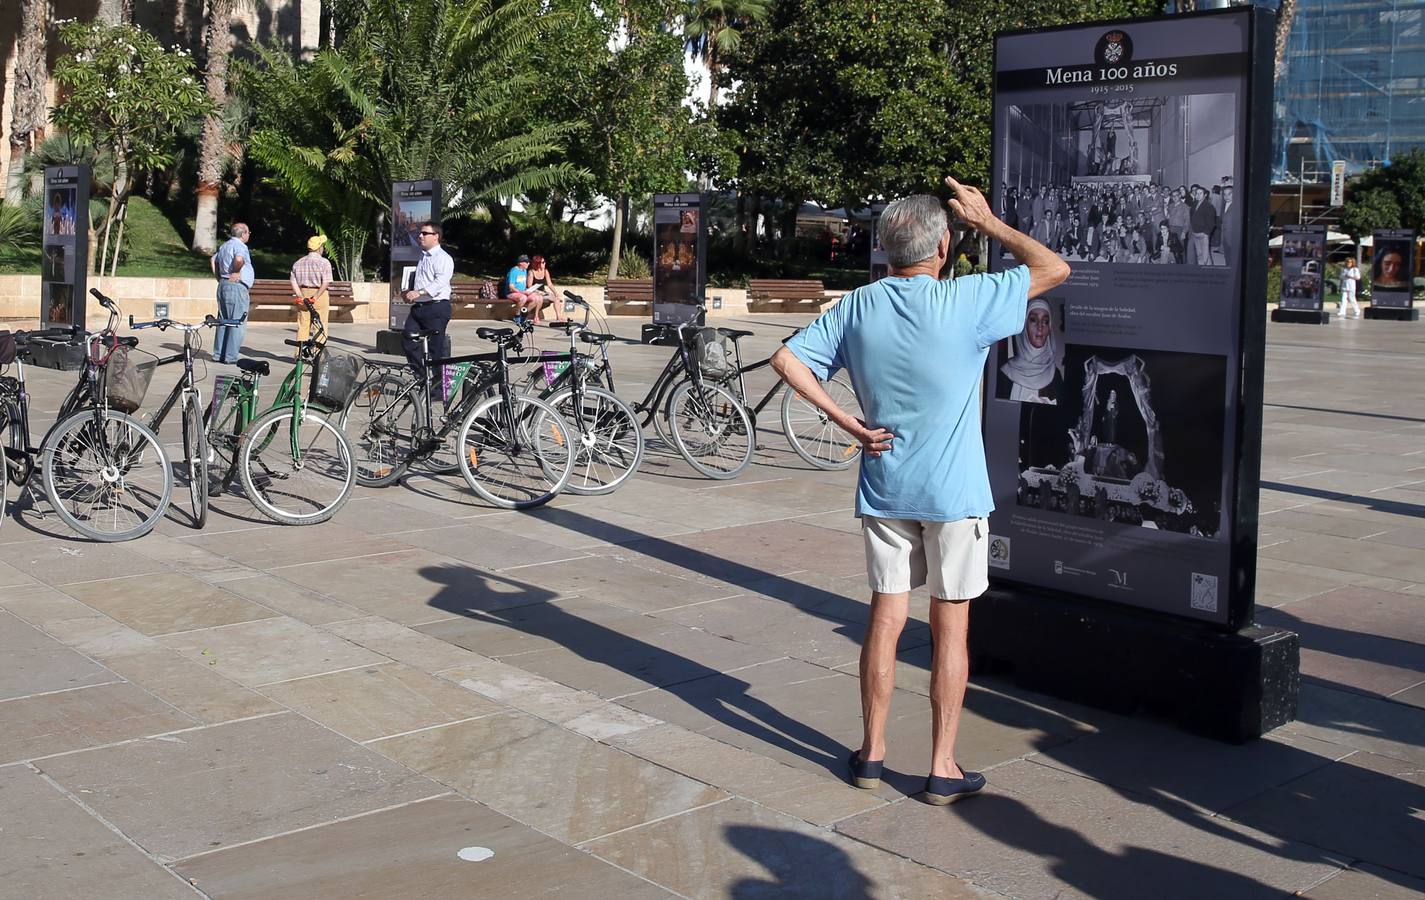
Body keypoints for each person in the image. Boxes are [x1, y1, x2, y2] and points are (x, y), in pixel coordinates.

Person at [770, 179, 1069, 806]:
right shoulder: (969, 299)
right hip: (954, 491)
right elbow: (1054, 267)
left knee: (886, 613)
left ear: (885, 248)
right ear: (941, 245)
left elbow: (787, 360)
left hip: (885, 484)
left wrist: (847, 420)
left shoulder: (857, 306)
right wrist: (988, 223)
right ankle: (941, 766)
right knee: (950, 626)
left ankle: (872, 754)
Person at [402, 221, 454, 386]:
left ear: (436, 237)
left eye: (425, 233)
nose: (420, 236)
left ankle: (437, 389)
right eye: (420, 233)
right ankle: (423, 378)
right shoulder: (423, 256)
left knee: (435, 350)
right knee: (408, 341)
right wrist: (410, 292)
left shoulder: (443, 258)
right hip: (419, 307)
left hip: (437, 307)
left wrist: (420, 292)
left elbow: (440, 282)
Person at [998, 298, 1063, 404]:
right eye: (1033, 320)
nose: (1040, 327)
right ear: (1024, 326)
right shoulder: (1005, 373)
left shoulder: (1055, 376)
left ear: (1050, 328)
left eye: (1045, 322)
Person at [210, 222, 254, 364]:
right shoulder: (240, 246)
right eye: (248, 232)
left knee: (223, 321)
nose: (249, 235)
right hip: (236, 286)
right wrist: (235, 271)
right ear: (243, 234)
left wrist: (218, 276)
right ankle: (230, 356)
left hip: (223, 285)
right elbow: (239, 259)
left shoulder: (224, 245)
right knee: (237, 322)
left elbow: (213, 260)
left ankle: (218, 354)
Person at [289, 234, 334, 346]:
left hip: (303, 293)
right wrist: (316, 296)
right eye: (323, 246)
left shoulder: (298, 263)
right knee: (320, 326)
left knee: (303, 325)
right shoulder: (324, 262)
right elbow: (326, 282)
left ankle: (299, 355)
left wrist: (299, 294)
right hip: (319, 294)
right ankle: (318, 355)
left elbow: (293, 281)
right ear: (319, 248)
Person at [524, 255, 565, 323]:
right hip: (534, 292)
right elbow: (529, 286)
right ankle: (535, 317)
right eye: (543, 262)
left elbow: (550, 284)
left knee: (556, 298)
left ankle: (559, 317)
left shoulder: (545, 271)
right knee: (540, 297)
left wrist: (555, 293)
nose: (544, 263)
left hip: (543, 292)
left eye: (544, 262)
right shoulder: (531, 272)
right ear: (538, 264)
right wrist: (539, 292)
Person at [1187, 184, 1217, 266]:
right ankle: (1202, 271)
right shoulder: (1194, 205)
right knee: (1199, 255)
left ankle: (1210, 273)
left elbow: (1211, 223)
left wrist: (1206, 234)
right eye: (1197, 193)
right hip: (1195, 233)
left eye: (1200, 193)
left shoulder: (1209, 207)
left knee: (1205, 256)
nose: (1198, 195)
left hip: (1203, 234)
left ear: (1205, 195)